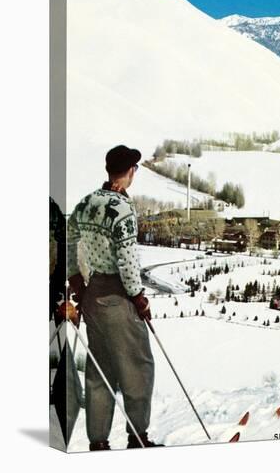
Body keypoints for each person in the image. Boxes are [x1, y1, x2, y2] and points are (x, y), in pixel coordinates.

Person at [65, 144, 161, 451]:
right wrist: (138, 297)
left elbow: (67, 239)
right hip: (119, 297)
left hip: (92, 295)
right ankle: (137, 437)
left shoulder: (85, 202)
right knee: (138, 367)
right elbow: (127, 259)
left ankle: (98, 442)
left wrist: (75, 277)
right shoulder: (122, 209)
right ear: (131, 171)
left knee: (100, 371)